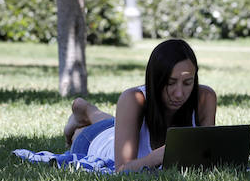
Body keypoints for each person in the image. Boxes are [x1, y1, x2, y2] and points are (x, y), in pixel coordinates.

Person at [63, 38, 218, 172]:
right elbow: (121, 169)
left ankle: (87, 110)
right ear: (155, 80)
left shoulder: (205, 98)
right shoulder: (133, 99)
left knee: (113, 123)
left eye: (187, 83)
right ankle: (83, 112)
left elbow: (208, 156)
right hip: (97, 141)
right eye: (170, 83)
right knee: (92, 131)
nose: (179, 93)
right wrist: (161, 155)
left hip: (117, 129)